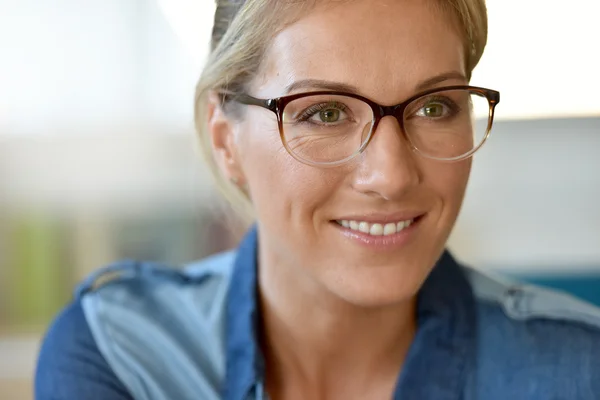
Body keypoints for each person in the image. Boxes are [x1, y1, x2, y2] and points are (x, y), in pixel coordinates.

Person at [35, 0, 600, 399]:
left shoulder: (576, 370)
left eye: (434, 107)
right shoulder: (121, 359)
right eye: (325, 113)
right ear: (225, 140)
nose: (392, 175)